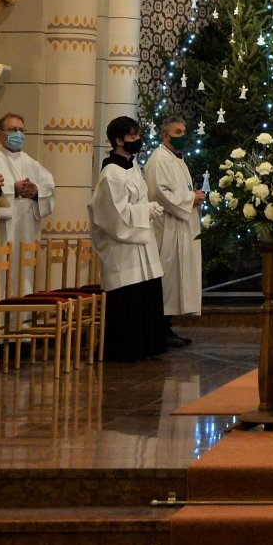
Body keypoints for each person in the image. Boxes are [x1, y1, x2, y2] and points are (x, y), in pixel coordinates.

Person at [89, 116, 167, 362]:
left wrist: (146, 208)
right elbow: (113, 215)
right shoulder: (111, 173)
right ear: (118, 140)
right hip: (122, 248)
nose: (137, 140)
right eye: (132, 137)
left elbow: (138, 200)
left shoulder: (131, 166)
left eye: (137, 135)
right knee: (128, 299)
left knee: (146, 293)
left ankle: (147, 345)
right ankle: (125, 349)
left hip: (142, 244)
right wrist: (145, 211)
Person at [144, 115, 204, 348]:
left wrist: (193, 196)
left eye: (184, 131)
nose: (183, 136)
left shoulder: (176, 159)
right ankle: (160, 327)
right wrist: (191, 198)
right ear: (166, 135)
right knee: (167, 279)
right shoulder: (159, 159)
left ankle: (166, 326)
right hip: (167, 228)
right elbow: (159, 193)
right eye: (178, 132)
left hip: (180, 225)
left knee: (173, 278)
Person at [0, 112, 56, 294]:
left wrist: (36, 192)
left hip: (27, 229)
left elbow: (50, 187)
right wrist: (13, 188)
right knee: (2, 275)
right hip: (2, 229)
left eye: (22, 130)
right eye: (13, 130)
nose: (18, 134)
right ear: (0, 134)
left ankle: (24, 319)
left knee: (24, 274)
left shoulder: (31, 162)